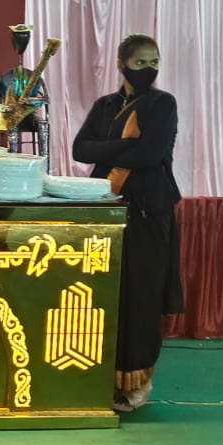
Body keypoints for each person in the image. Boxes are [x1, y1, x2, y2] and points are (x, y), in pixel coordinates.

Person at [71, 34, 183, 414]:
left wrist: (109, 150)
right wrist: (127, 145)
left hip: (148, 212)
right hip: (107, 210)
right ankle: (101, 380)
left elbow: (151, 155)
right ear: (122, 65)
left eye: (154, 62)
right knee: (106, 297)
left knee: (141, 298)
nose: (149, 69)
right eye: (140, 63)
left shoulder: (163, 104)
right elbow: (80, 149)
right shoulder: (105, 106)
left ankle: (135, 386)